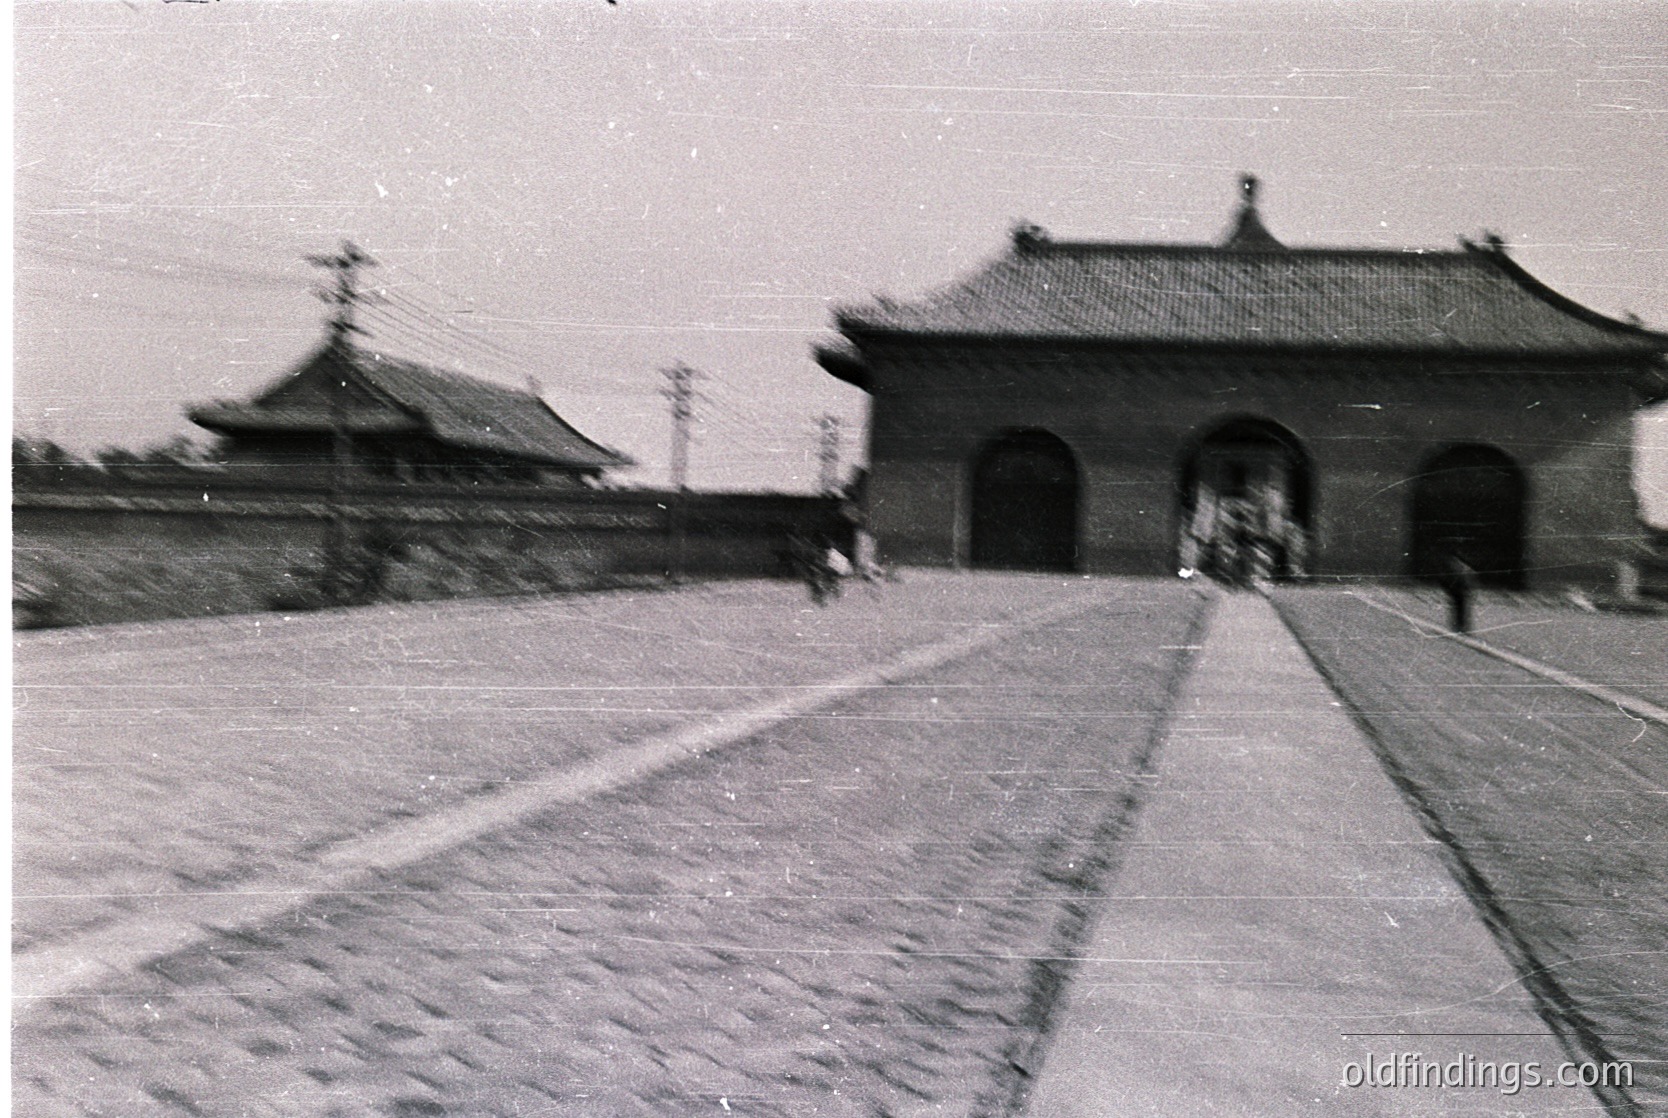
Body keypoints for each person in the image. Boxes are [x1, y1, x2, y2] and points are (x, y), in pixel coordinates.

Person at [1439, 553, 1475, 633]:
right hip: (1460, 591)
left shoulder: (1453, 567)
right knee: (1461, 609)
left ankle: (1458, 626)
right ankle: (1462, 627)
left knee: (1457, 609)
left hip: (1457, 591)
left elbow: (1447, 579)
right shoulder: (1462, 567)